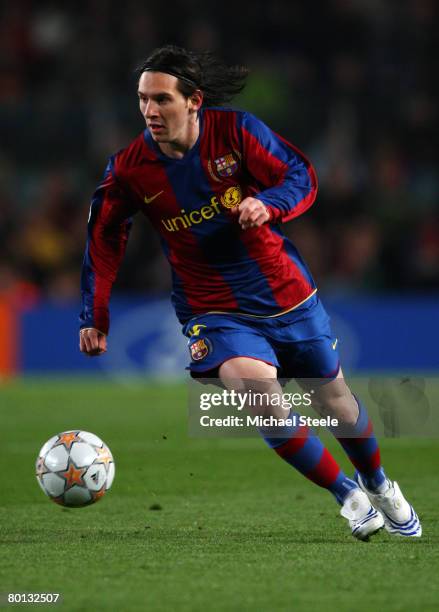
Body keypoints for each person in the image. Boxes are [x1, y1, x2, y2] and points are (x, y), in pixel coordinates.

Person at [79, 45, 421, 540]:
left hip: (285, 293)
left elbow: (299, 174)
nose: (150, 112)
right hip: (211, 306)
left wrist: (268, 203)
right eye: (142, 100)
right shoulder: (130, 168)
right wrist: (95, 314)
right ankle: (347, 493)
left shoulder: (236, 131)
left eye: (161, 100)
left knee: (337, 404)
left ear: (194, 100)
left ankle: (380, 484)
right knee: (258, 394)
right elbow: (104, 237)